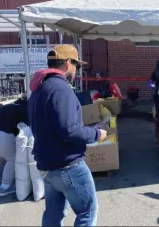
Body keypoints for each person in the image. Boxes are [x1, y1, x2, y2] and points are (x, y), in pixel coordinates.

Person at [28, 44, 107, 226]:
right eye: (77, 66)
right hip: (68, 165)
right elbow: (69, 130)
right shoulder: (60, 88)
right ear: (68, 63)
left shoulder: (39, 88)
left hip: (47, 165)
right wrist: (96, 133)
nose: (77, 71)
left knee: (53, 216)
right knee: (87, 213)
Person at [0, 94, 28, 197]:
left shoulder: (12, 105)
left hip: (0, 130)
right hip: (3, 135)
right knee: (12, 159)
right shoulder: (24, 110)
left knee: (0, 158)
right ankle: (4, 187)